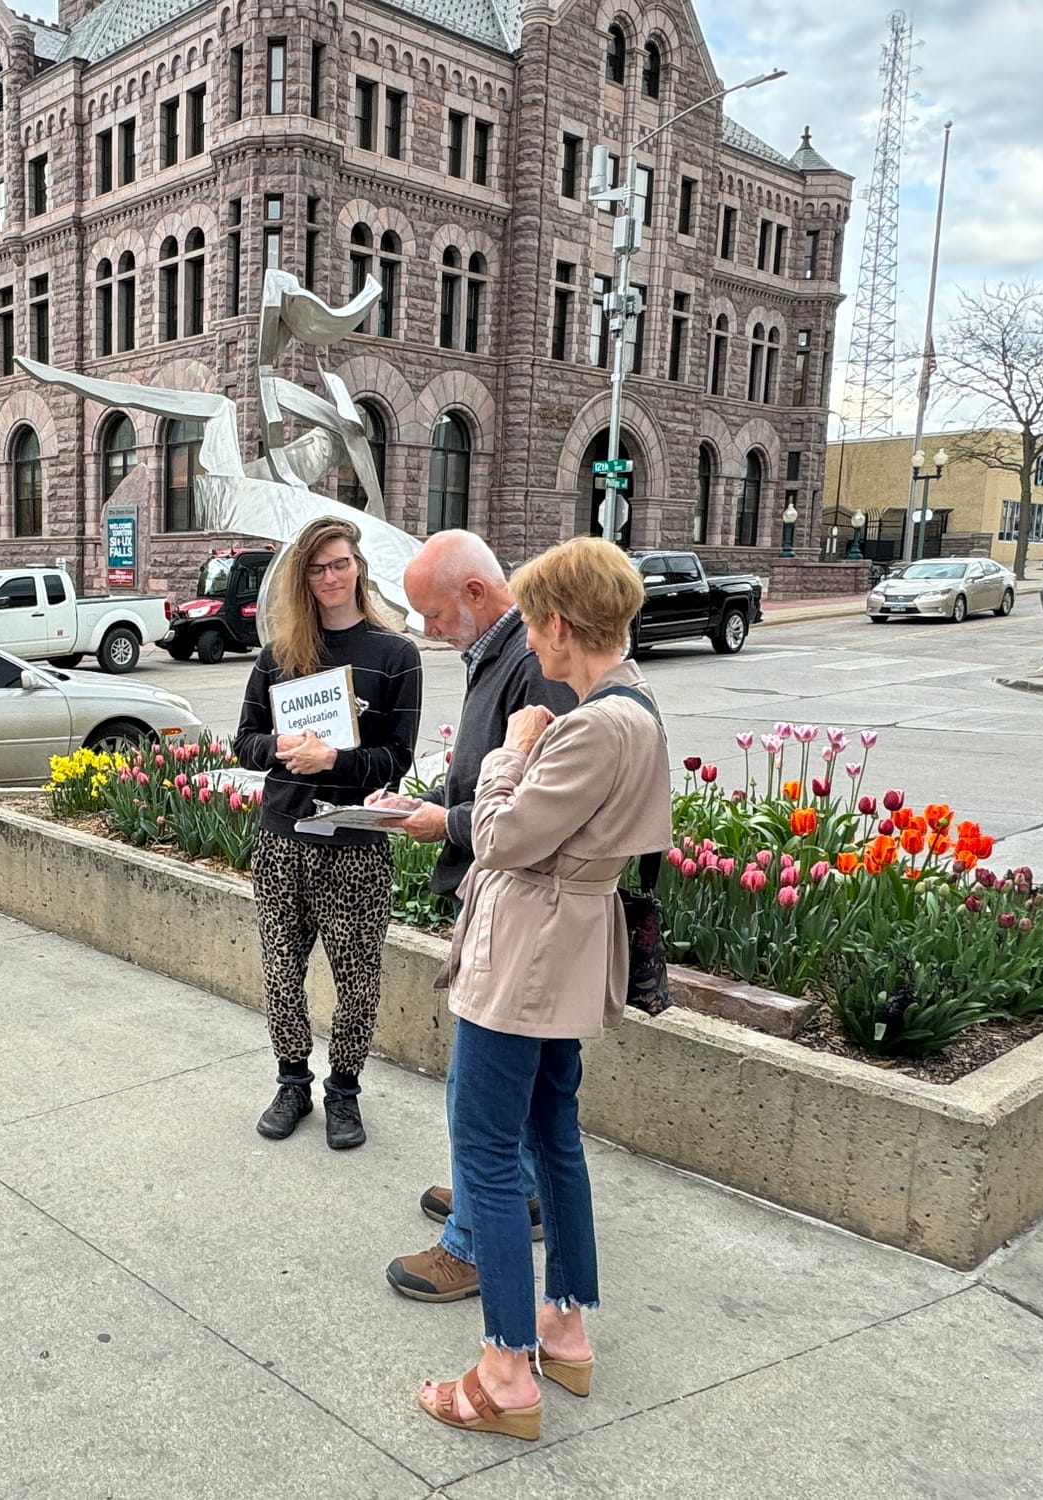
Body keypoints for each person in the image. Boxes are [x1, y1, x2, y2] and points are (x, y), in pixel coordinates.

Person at [416, 536, 670, 1441]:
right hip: (568, 951)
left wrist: (509, 752)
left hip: (524, 953)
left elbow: (502, 838)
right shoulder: (637, 706)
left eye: (532, 619)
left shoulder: (595, 723)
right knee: (552, 1134)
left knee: (483, 1147)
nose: (530, 636)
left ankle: (504, 1371)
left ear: (557, 622)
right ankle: (563, 1324)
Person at [366, 529, 579, 1304]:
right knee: (525, 1092)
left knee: (479, 1095)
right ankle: (512, 1199)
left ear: (478, 595)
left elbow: (530, 816)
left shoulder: (531, 665)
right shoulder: (501, 655)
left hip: (518, 907)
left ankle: (473, 1244)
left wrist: (441, 824)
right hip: (514, 898)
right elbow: (494, 785)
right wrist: (422, 806)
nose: (424, 630)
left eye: (431, 613)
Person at [235, 515, 422, 1150]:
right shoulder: (280, 656)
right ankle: (292, 1082)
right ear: (302, 579)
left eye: (339, 563)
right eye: (317, 568)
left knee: (358, 978)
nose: (330, 577)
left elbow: (398, 758)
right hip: (283, 837)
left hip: (355, 844)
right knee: (281, 971)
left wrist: (335, 762)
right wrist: (281, 748)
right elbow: (245, 741)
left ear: (359, 567)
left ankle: (344, 1091)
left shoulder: (396, 655)